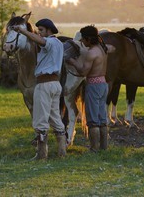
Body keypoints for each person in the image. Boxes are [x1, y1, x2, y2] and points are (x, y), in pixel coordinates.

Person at [11, 18, 66, 160]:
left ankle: (42, 155)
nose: (39, 33)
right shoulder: (59, 43)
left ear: (49, 30)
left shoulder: (50, 42)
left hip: (44, 84)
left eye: (41, 30)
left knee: (40, 119)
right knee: (55, 118)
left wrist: (23, 31)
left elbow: (41, 41)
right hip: (55, 84)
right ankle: (62, 152)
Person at [67, 25, 114, 151]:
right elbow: (112, 48)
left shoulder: (91, 53)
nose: (81, 42)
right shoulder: (103, 49)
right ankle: (104, 147)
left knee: (93, 119)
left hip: (93, 85)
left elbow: (83, 72)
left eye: (83, 39)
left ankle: (94, 148)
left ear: (88, 39)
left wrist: (72, 62)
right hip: (103, 84)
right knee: (102, 117)